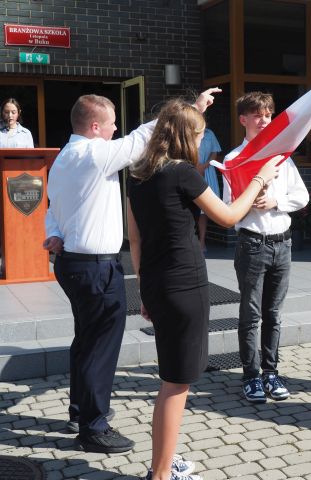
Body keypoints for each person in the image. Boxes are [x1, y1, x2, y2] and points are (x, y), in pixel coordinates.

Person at [42, 90, 214, 455]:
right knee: (100, 346)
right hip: (95, 266)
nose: (116, 130)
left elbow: (52, 207)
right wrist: (189, 111)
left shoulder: (63, 158)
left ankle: (81, 410)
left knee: (86, 341)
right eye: (111, 124)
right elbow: (141, 138)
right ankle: (93, 427)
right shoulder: (94, 154)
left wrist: (54, 232)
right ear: (94, 127)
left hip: (73, 262)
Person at [127, 97, 281, 480]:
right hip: (185, 285)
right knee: (176, 383)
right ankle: (161, 474)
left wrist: (145, 290)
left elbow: (135, 239)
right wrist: (259, 179)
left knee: (171, 379)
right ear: (185, 135)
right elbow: (228, 217)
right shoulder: (182, 172)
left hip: (158, 283)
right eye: (199, 135)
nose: (202, 142)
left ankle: (163, 461)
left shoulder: (138, 174)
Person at [223, 91, 309, 404]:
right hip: (252, 244)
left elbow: (302, 197)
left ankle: (271, 373)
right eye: (257, 115)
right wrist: (250, 202)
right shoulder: (234, 159)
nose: (264, 121)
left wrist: (275, 201)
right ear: (243, 119)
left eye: (268, 115)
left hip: (282, 243)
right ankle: (251, 376)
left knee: (274, 314)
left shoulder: (281, 156)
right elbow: (227, 209)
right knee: (251, 315)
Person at [196, 127, 222, 252]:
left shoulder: (209, 133)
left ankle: (201, 241)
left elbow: (214, 153)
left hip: (206, 171)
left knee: (203, 211)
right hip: (189, 170)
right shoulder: (185, 130)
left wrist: (203, 167)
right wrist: (195, 167)